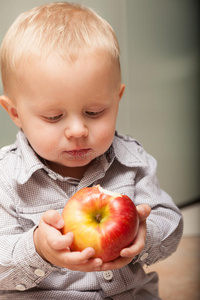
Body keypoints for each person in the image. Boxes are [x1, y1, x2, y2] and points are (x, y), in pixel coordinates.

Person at [0, 2, 183, 299]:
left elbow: (171, 226)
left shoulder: (132, 162)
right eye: (53, 117)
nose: (77, 131)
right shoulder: (6, 178)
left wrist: (144, 233)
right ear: (15, 113)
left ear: (117, 98)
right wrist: (38, 249)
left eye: (95, 111)